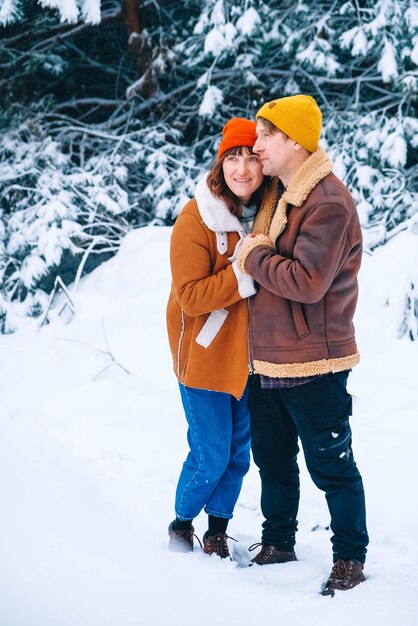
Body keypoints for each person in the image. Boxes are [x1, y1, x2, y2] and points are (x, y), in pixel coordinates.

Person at [236, 95, 369, 595]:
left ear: (294, 140)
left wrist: (253, 257)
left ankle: (351, 557)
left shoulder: (327, 201)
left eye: (266, 135)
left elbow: (308, 281)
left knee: (332, 468)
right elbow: (233, 178)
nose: (257, 144)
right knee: (272, 462)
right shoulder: (278, 191)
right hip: (266, 357)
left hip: (316, 360)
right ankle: (278, 541)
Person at [166, 118, 267, 558]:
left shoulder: (267, 214)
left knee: (238, 454)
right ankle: (181, 523)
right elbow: (190, 297)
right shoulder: (197, 217)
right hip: (204, 358)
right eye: (233, 158)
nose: (242, 169)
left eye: (251, 158)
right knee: (209, 454)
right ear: (220, 162)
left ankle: (217, 531)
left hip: (247, 360)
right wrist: (242, 268)